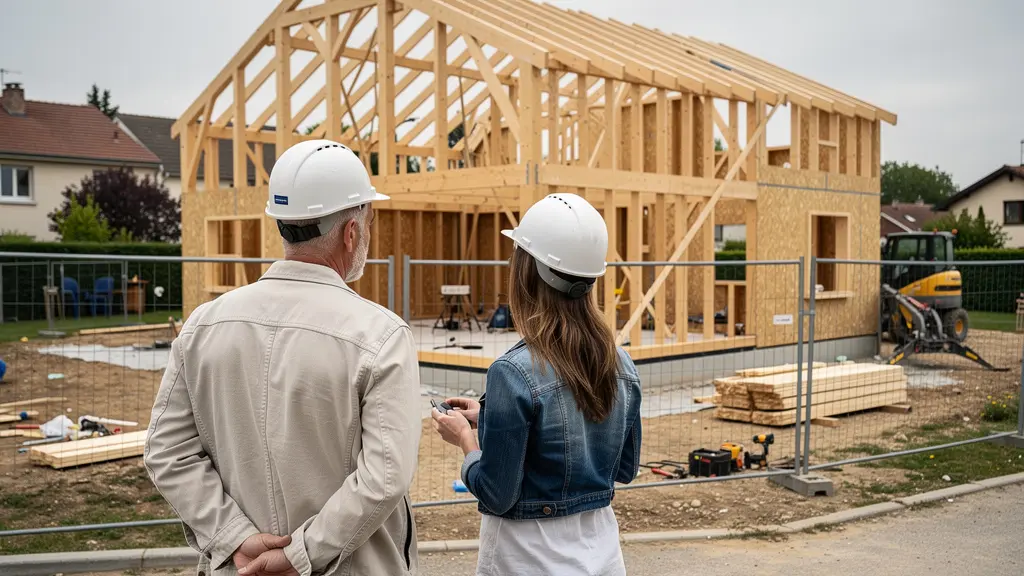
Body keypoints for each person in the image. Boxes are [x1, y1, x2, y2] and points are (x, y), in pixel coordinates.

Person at [144, 140, 422, 576]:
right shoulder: (380, 335)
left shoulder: (204, 324)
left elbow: (166, 450)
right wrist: (302, 554)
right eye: (367, 219)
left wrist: (232, 534)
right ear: (352, 232)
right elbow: (384, 478)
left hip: (242, 567)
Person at [431, 193, 643, 576]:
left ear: (528, 272)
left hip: (526, 559)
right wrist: (493, 418)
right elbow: (624, 468)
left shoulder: (513, 372)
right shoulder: (621, 363)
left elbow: (497, 495)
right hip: (602, 555)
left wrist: (466, 440)